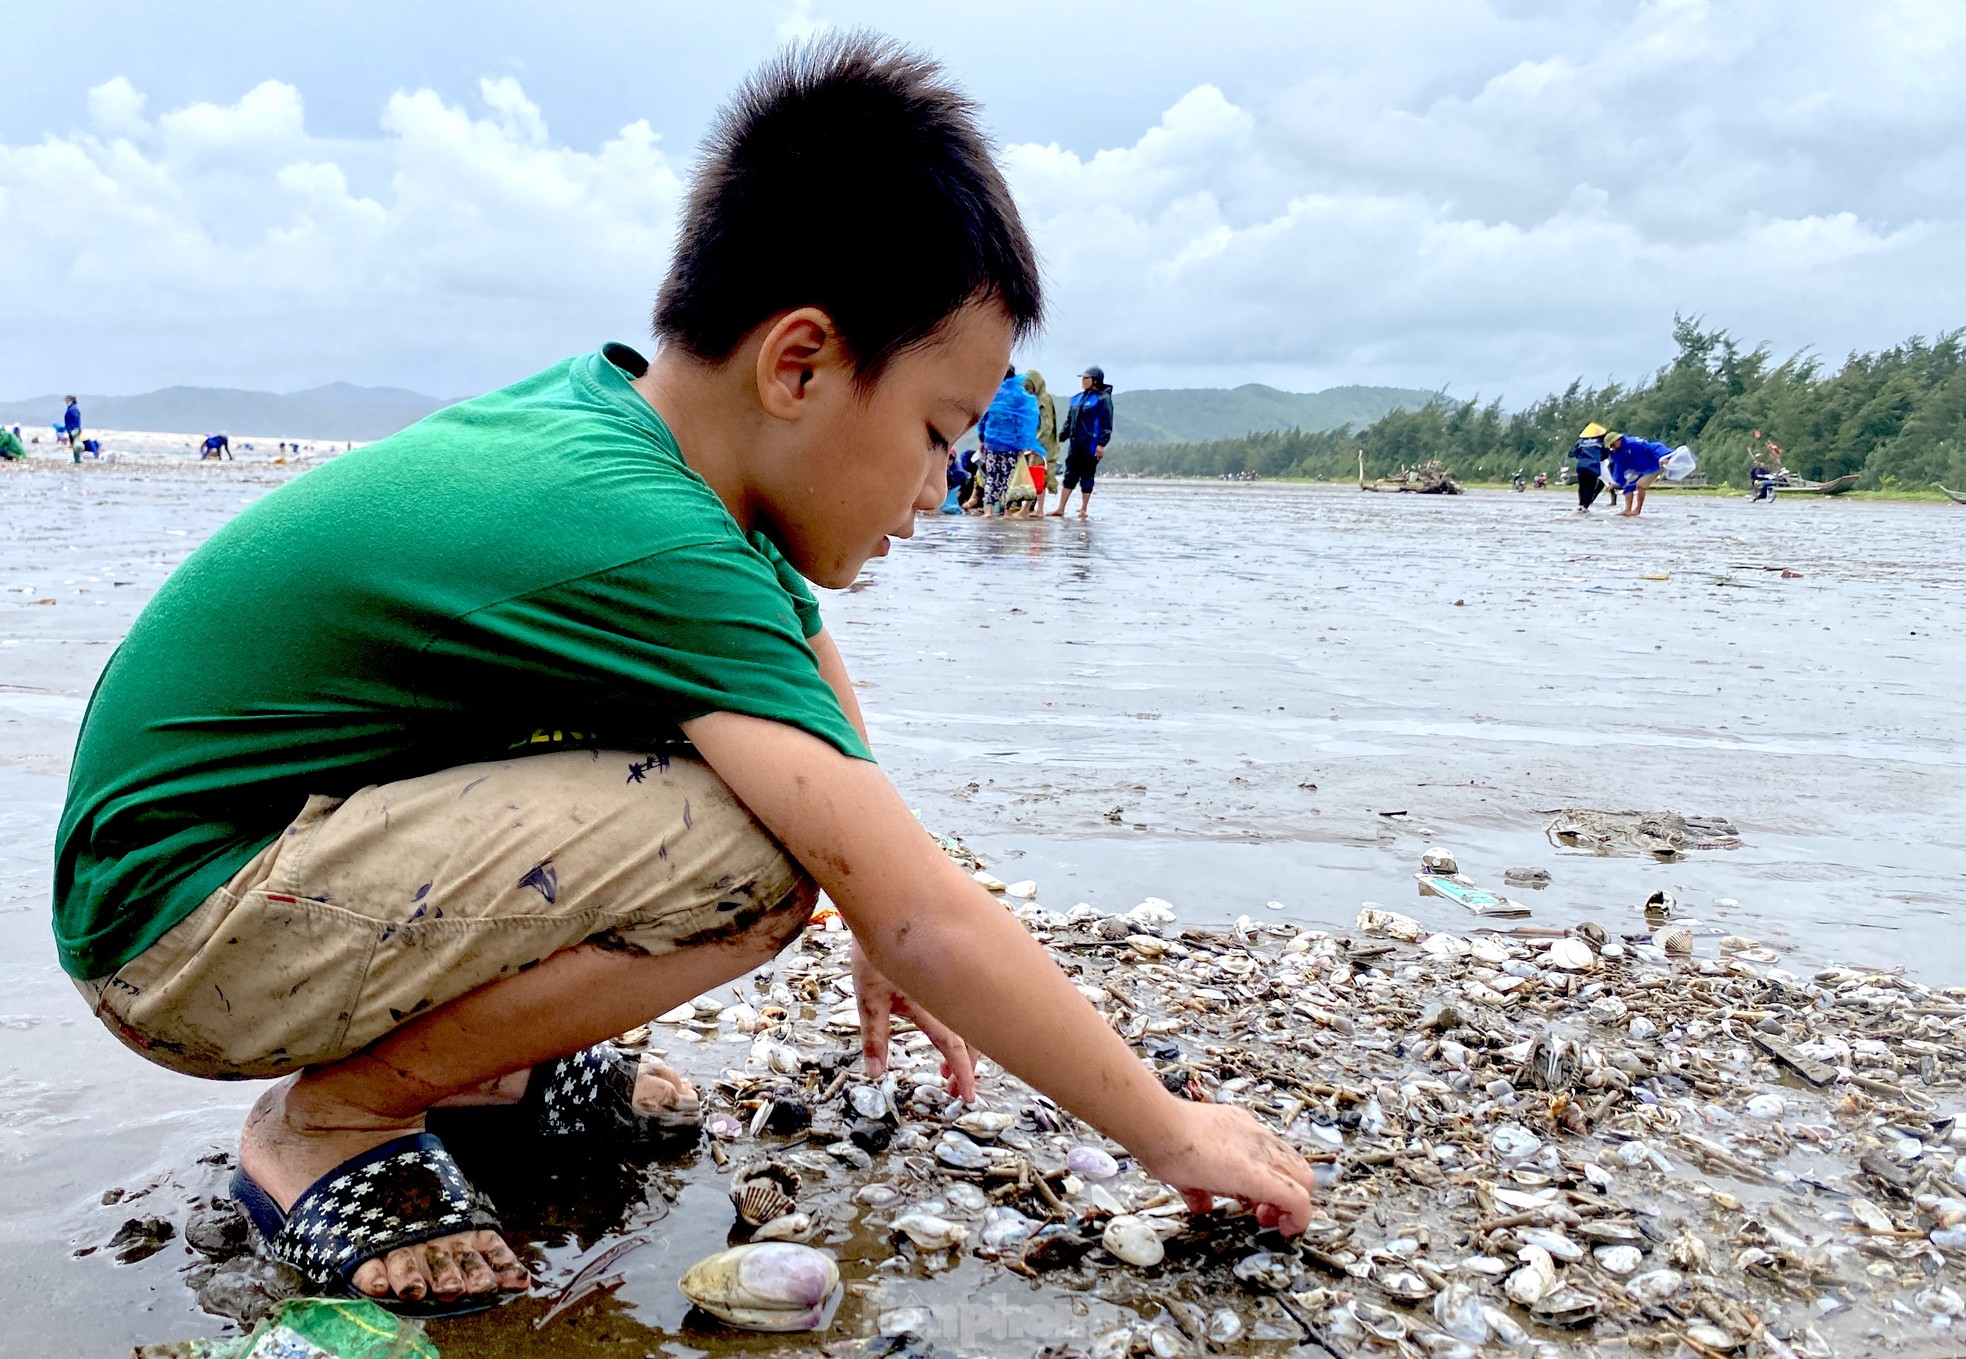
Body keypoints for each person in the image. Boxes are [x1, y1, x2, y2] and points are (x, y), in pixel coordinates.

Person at [54, 37, 1314, 1318]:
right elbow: (916, 907)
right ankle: (338, 1119)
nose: (941, 492)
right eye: (935, 435)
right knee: (762, 859)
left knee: (806, 821)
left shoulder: (637, 436)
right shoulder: (651, 536)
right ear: (800, 364)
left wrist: (878, 898)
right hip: (180, 933)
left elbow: (803, 669)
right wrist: (1163, 1129)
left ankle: (487, 1073)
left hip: (235, 868)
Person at [1049, 365, 1113, 518]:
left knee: (1087, 475)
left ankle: (1083, 508)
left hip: (1091, 445)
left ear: (1095, 381)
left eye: (1086, 378)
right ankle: (1061, 508)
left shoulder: (1103, 399)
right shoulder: (1077, 398)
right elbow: (1069, 420)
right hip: (1075, 444)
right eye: (1083, 378)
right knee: (1070, 475)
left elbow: (1106, 422)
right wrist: (1060, 438)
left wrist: (1101, 444)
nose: (1083, 381)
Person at [977, 365, 1038, 516]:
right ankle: (1006, 512)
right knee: (1009, 478)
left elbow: (983, 419)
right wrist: (1024, 441)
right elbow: (1025, 420)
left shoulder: (992, 393)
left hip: (992, 442)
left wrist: (982, 439)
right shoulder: (1020, 395)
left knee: (992, 476)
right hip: (1012, 444)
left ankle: (989, 510)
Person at [1603, 430, 1674, 517]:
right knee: (1628, 485)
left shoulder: (1633, 443)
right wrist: (1615, 482)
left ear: (1618, 440)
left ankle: (1637, 510)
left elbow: (1652, 447)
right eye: (1610, 447)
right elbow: (1619, 467)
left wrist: (1662, 456)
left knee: (1640, 486)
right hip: (1638, 469)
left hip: (1653, 465)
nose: (1612, 448)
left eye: (1613, 445)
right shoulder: (1617, 452)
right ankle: (1627, 510)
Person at [1022, 368, 1059, 514]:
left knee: (1036, 476)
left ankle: (1032, 509)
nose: (1027, 390)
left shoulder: (1043, 400)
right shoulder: (1037, 399)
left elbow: (1047, 425)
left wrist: (1036, 444)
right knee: (1038, 477)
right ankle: (1038, 509)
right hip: (1037, 444)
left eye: (1029, 387)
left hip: (1041, 446)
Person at [1568, 423, 1613, 511]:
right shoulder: (1600, 442)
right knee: (1590, 486)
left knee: (1582, 486)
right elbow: (1605, 454)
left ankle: (1580, 504)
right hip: (1593, 466)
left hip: (1581, 466)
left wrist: (1581, 458)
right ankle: (1585, 506)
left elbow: (1573, 453)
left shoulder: (1580, 441)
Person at [62, 395, 83, 464]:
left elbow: (76, 419)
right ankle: (77, 459)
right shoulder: (71, 408)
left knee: (75, 445)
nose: (65, 402)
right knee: (74, 445)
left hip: (74, 430)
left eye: (66, 400)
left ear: (70, 400)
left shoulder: (73, 408)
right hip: (72, 430)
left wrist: (75, 429)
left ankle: (77, 460)